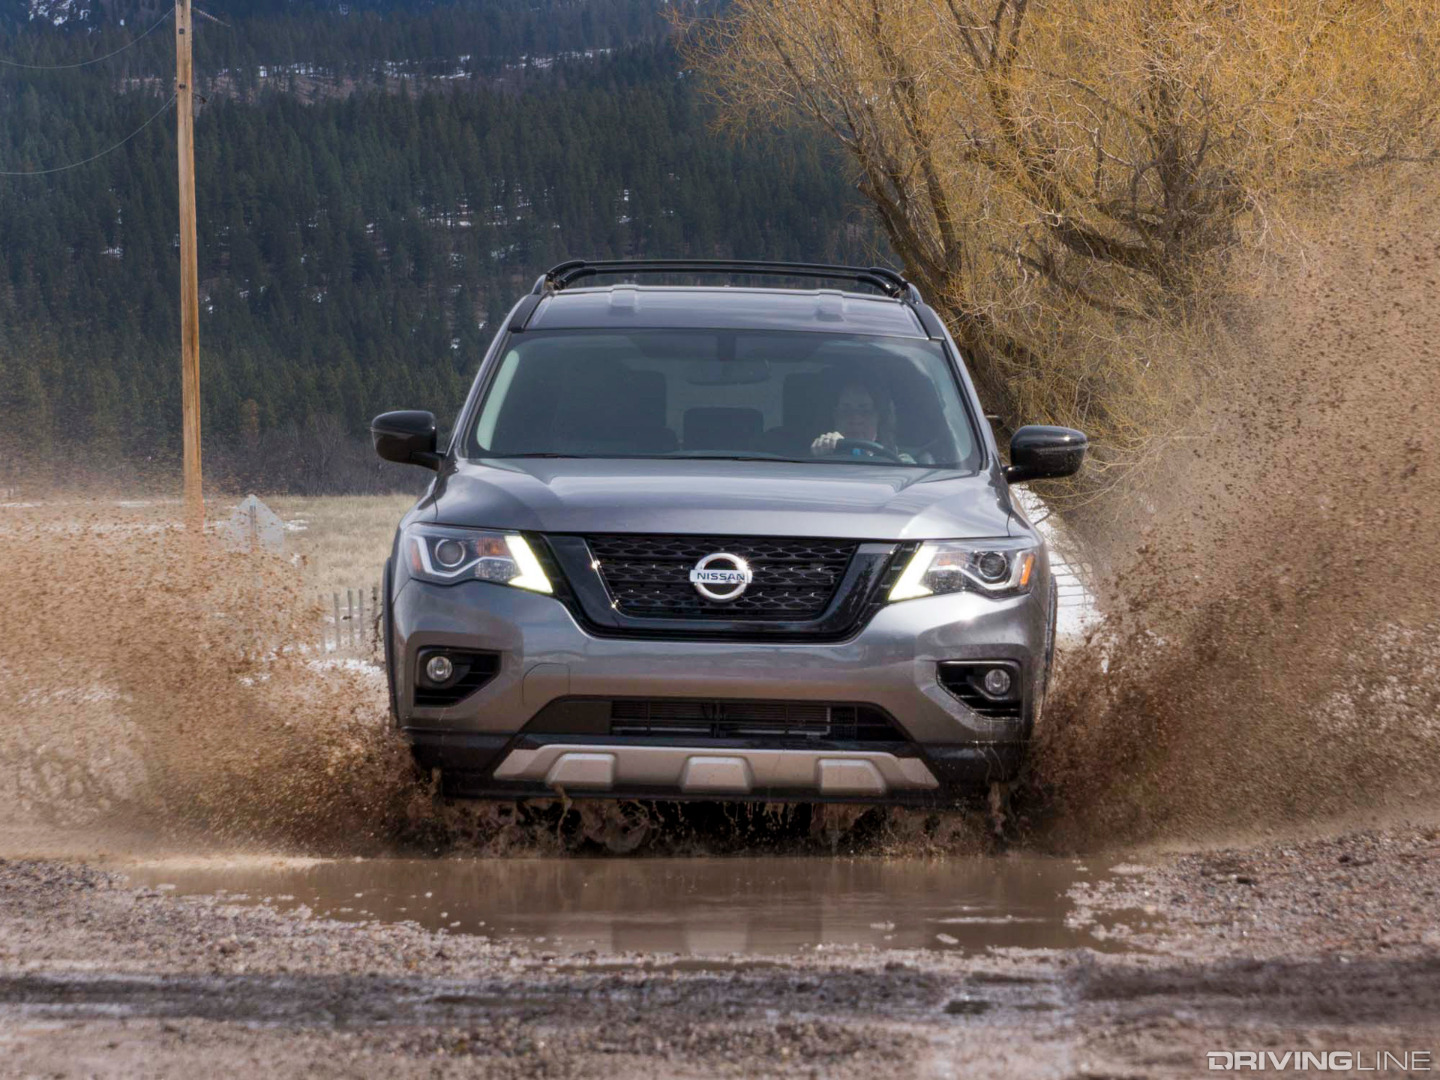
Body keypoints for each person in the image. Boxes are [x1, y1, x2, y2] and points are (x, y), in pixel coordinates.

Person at [810, 378, 913, 461]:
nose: (855, 419)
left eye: (866, 411)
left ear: (880, 418)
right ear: (834, 416)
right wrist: (823, 454)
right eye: (845, 411)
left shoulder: (902, 463)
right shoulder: (804, 464)